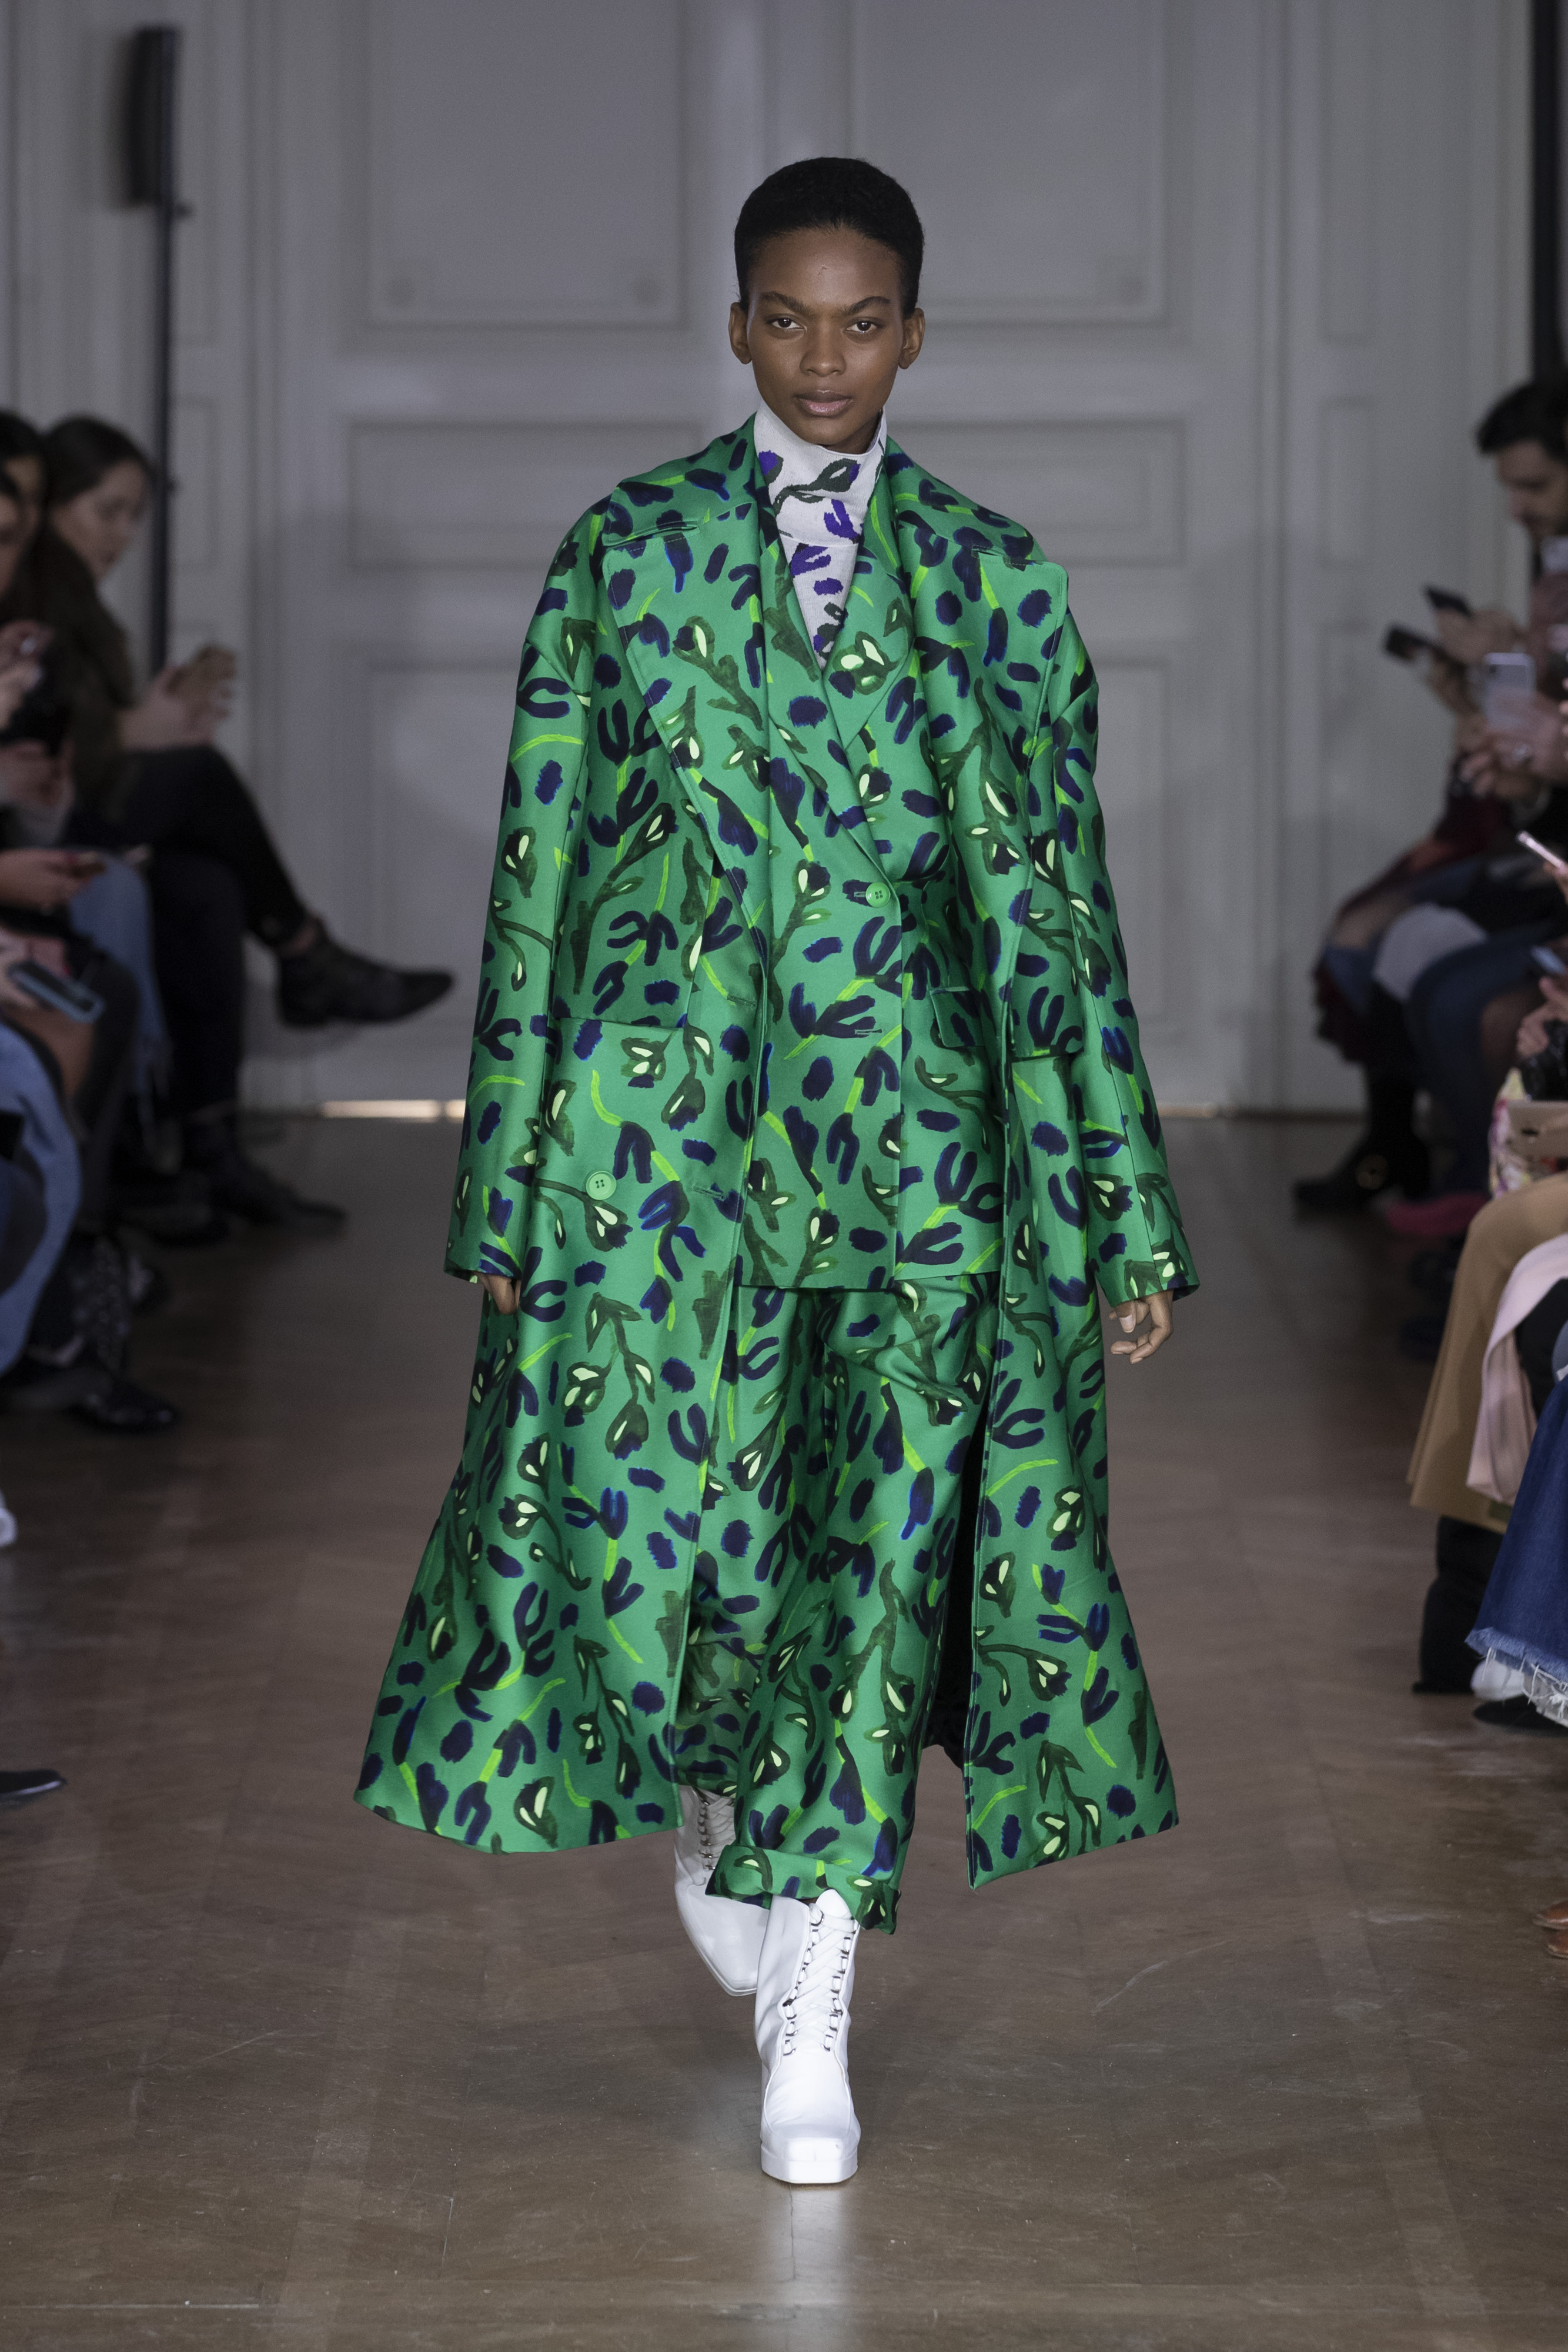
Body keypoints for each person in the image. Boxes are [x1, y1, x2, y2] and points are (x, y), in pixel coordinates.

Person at [352, 158, 1196, 2184]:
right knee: (685, 1543)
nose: (825, 358)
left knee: (877, 1566)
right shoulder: (624, 553)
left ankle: (812, 2008)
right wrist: (503, 1183)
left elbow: (1059, 911)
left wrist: (1118, 1205)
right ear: (735, 324)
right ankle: (714, 1810)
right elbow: (541, 875)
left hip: (923, 1156)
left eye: (863, 320)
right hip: (657, 1158)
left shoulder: (993, 579)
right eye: (789, 318)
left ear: (916, 333)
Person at [0, 415, 454, 1225]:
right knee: (198, 778)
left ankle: (214, 1150)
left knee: (206, 885)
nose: (123, 535)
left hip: (59, 815)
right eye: (107, 511)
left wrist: (146, 723)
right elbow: (54, 749)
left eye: (134, 515)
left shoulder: (69, 602)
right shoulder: (35, 595)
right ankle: (306, 952)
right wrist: (136, 731)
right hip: (46, 830)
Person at [1298, 372, 1568, 1217]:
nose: (1518, 508)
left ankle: (1484, 1196)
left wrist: (1531, 729)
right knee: (1374, 941)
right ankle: (1435, 1165)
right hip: (1533, 839)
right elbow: (1535, 766)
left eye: (1535, 485)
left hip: (1538, 857)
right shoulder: (1553, 577)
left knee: (1440, 975)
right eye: (1511, 488)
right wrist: (1486, 699)